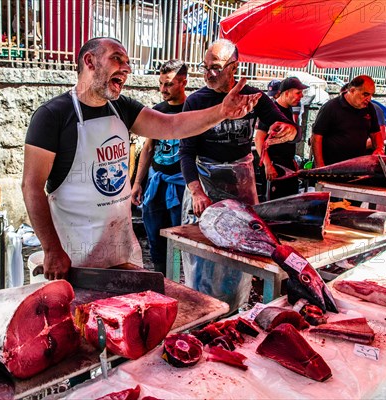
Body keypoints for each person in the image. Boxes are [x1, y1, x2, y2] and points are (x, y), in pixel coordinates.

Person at [22, 37, 260, 281]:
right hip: (71, 257)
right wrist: (51, 249)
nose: (126, 68)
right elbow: (31, 187)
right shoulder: (52, 116)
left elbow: (173, 125)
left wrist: (222, 112)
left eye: (127, 62)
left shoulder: (122, 108)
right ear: (89, 61)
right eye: (117, 59)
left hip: (119, 250)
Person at [179, 39, 298, 311]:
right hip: (206, 183)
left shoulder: (254, 97)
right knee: (205, 258)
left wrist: (286, 129)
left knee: (241, 254)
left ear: (235, 67)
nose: (209, 74)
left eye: (217, 68)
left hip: (241, 183)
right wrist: (196, 192)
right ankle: (204, 312)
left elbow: (287, 124)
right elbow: (185, 152)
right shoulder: (196, 101)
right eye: (205, 67)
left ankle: (234, 310)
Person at [130, 60, 188, 274]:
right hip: (156, 184)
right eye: (161, 84)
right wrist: (137, 183)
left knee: (181, 240)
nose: (163, 90)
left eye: (169, 84)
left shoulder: (192, 111)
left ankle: (179, 284)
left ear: (183, 82)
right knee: (155, 238)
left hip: (182, 186)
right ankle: (160, 282)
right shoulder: (157, 111)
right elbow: (148, 148)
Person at [311, 75, 383, 167]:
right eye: (365, 94)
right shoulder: (331, 107)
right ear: (352, 90)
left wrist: (379, 148)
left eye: (371, 95)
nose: (369, 99)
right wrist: (320, 166)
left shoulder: (369, 108)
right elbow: (316, 137)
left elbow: (375, 133)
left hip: (357, 166)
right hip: (331, 166)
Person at [255, 77, 307, 200]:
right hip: (274, 165)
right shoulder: (271, 110)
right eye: (298, 92)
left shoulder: (289, 110)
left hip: (287, 163)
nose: (301, 96)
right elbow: (259, 139)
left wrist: (291, 159)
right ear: (287, 92)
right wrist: (268, 165)